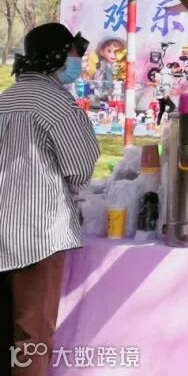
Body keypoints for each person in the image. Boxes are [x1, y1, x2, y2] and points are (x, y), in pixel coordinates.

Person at [0, 24, 99, 376]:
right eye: (73, 53)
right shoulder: (57, 103)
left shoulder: (6, 98)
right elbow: (80, 165)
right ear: (57, 57)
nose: (76, 61)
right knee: (32, 334)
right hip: (36, 231)